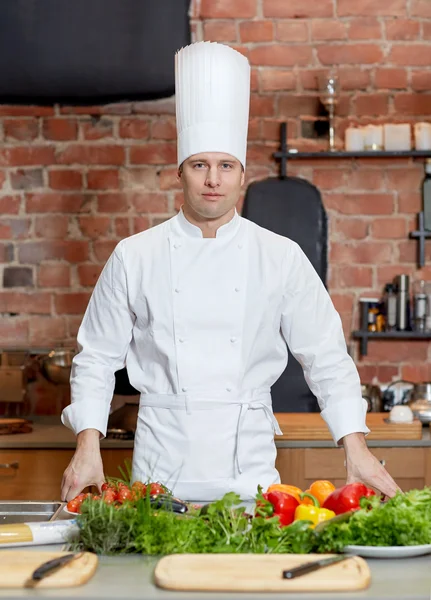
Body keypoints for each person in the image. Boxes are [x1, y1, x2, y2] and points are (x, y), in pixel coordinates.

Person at [61, 41, 400, 503]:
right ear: (180, 172)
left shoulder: (279, 256)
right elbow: (96, 358)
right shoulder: (134, 256)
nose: (213, 180)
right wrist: (87, 445)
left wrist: (355, 447)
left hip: (250, 477)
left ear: (243, 175)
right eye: (200, 165)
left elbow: (326, 357)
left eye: (226, 166)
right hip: (158, 476)